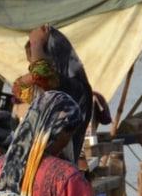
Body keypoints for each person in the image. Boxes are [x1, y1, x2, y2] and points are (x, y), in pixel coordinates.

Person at [10, 25, 99, 160]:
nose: (33, 70)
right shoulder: (43, 88)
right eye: (31, 64)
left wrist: (36, 43)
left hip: (58, 164)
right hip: (40, 162)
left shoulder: (76, 87)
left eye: (38, 61)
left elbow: (42, 74)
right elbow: (18, 88)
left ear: (55, 58)